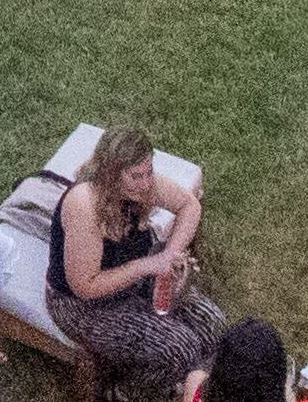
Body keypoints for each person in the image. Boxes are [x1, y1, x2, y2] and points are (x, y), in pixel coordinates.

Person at [46, 126, 222, 387]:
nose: (147, 182)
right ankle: (125, 392)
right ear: (110, 174)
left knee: (212, 322)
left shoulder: (140, 186)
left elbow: (189, 205)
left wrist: (169, 259)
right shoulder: (85, 205)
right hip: (82, 306)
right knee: (180, 348)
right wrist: (147, 265)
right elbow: (85, 286)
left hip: (134, 279)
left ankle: (196, 386)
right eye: (137, 176)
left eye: (149, 171)